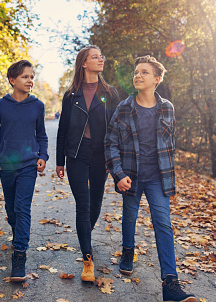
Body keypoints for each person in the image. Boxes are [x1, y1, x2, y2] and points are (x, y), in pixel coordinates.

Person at [105, 55, 196, 302]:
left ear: (157, 79)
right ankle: (127, 251)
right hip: (131, 176)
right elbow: (110, 142)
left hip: (158, 178)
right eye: (136, 71)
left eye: (144, 72)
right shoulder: (124, 108)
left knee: (163, 225)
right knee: (130, 217)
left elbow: (170, 144)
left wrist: (170, 179)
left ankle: (171, 284)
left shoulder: (167, 107)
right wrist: (118, 174)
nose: (138, 75)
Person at [0, 60, 48, 282]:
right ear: (12, 80)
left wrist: (43, 156)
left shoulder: (37, 106)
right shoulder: (0, 105)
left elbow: (42, 135)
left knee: (22, 207)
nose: (30, 80)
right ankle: (18, 234)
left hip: (28, 165)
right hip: (6, 164)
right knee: (11, 209)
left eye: (32, 77)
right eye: (26, 77)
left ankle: (19, 254)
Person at [56, 45, 120, 282]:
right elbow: (63, 129)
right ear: (84, 63)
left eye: (101, 56)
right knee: (83, 205)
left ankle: (85, 235)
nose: (100, 59)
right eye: (95, 57)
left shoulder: (110, 92)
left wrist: (114, 160)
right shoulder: (71, 95)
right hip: (76, 155)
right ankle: (87, 258)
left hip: (100, 155)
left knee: (95, 204)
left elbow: (116, 128)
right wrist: (60, 161)